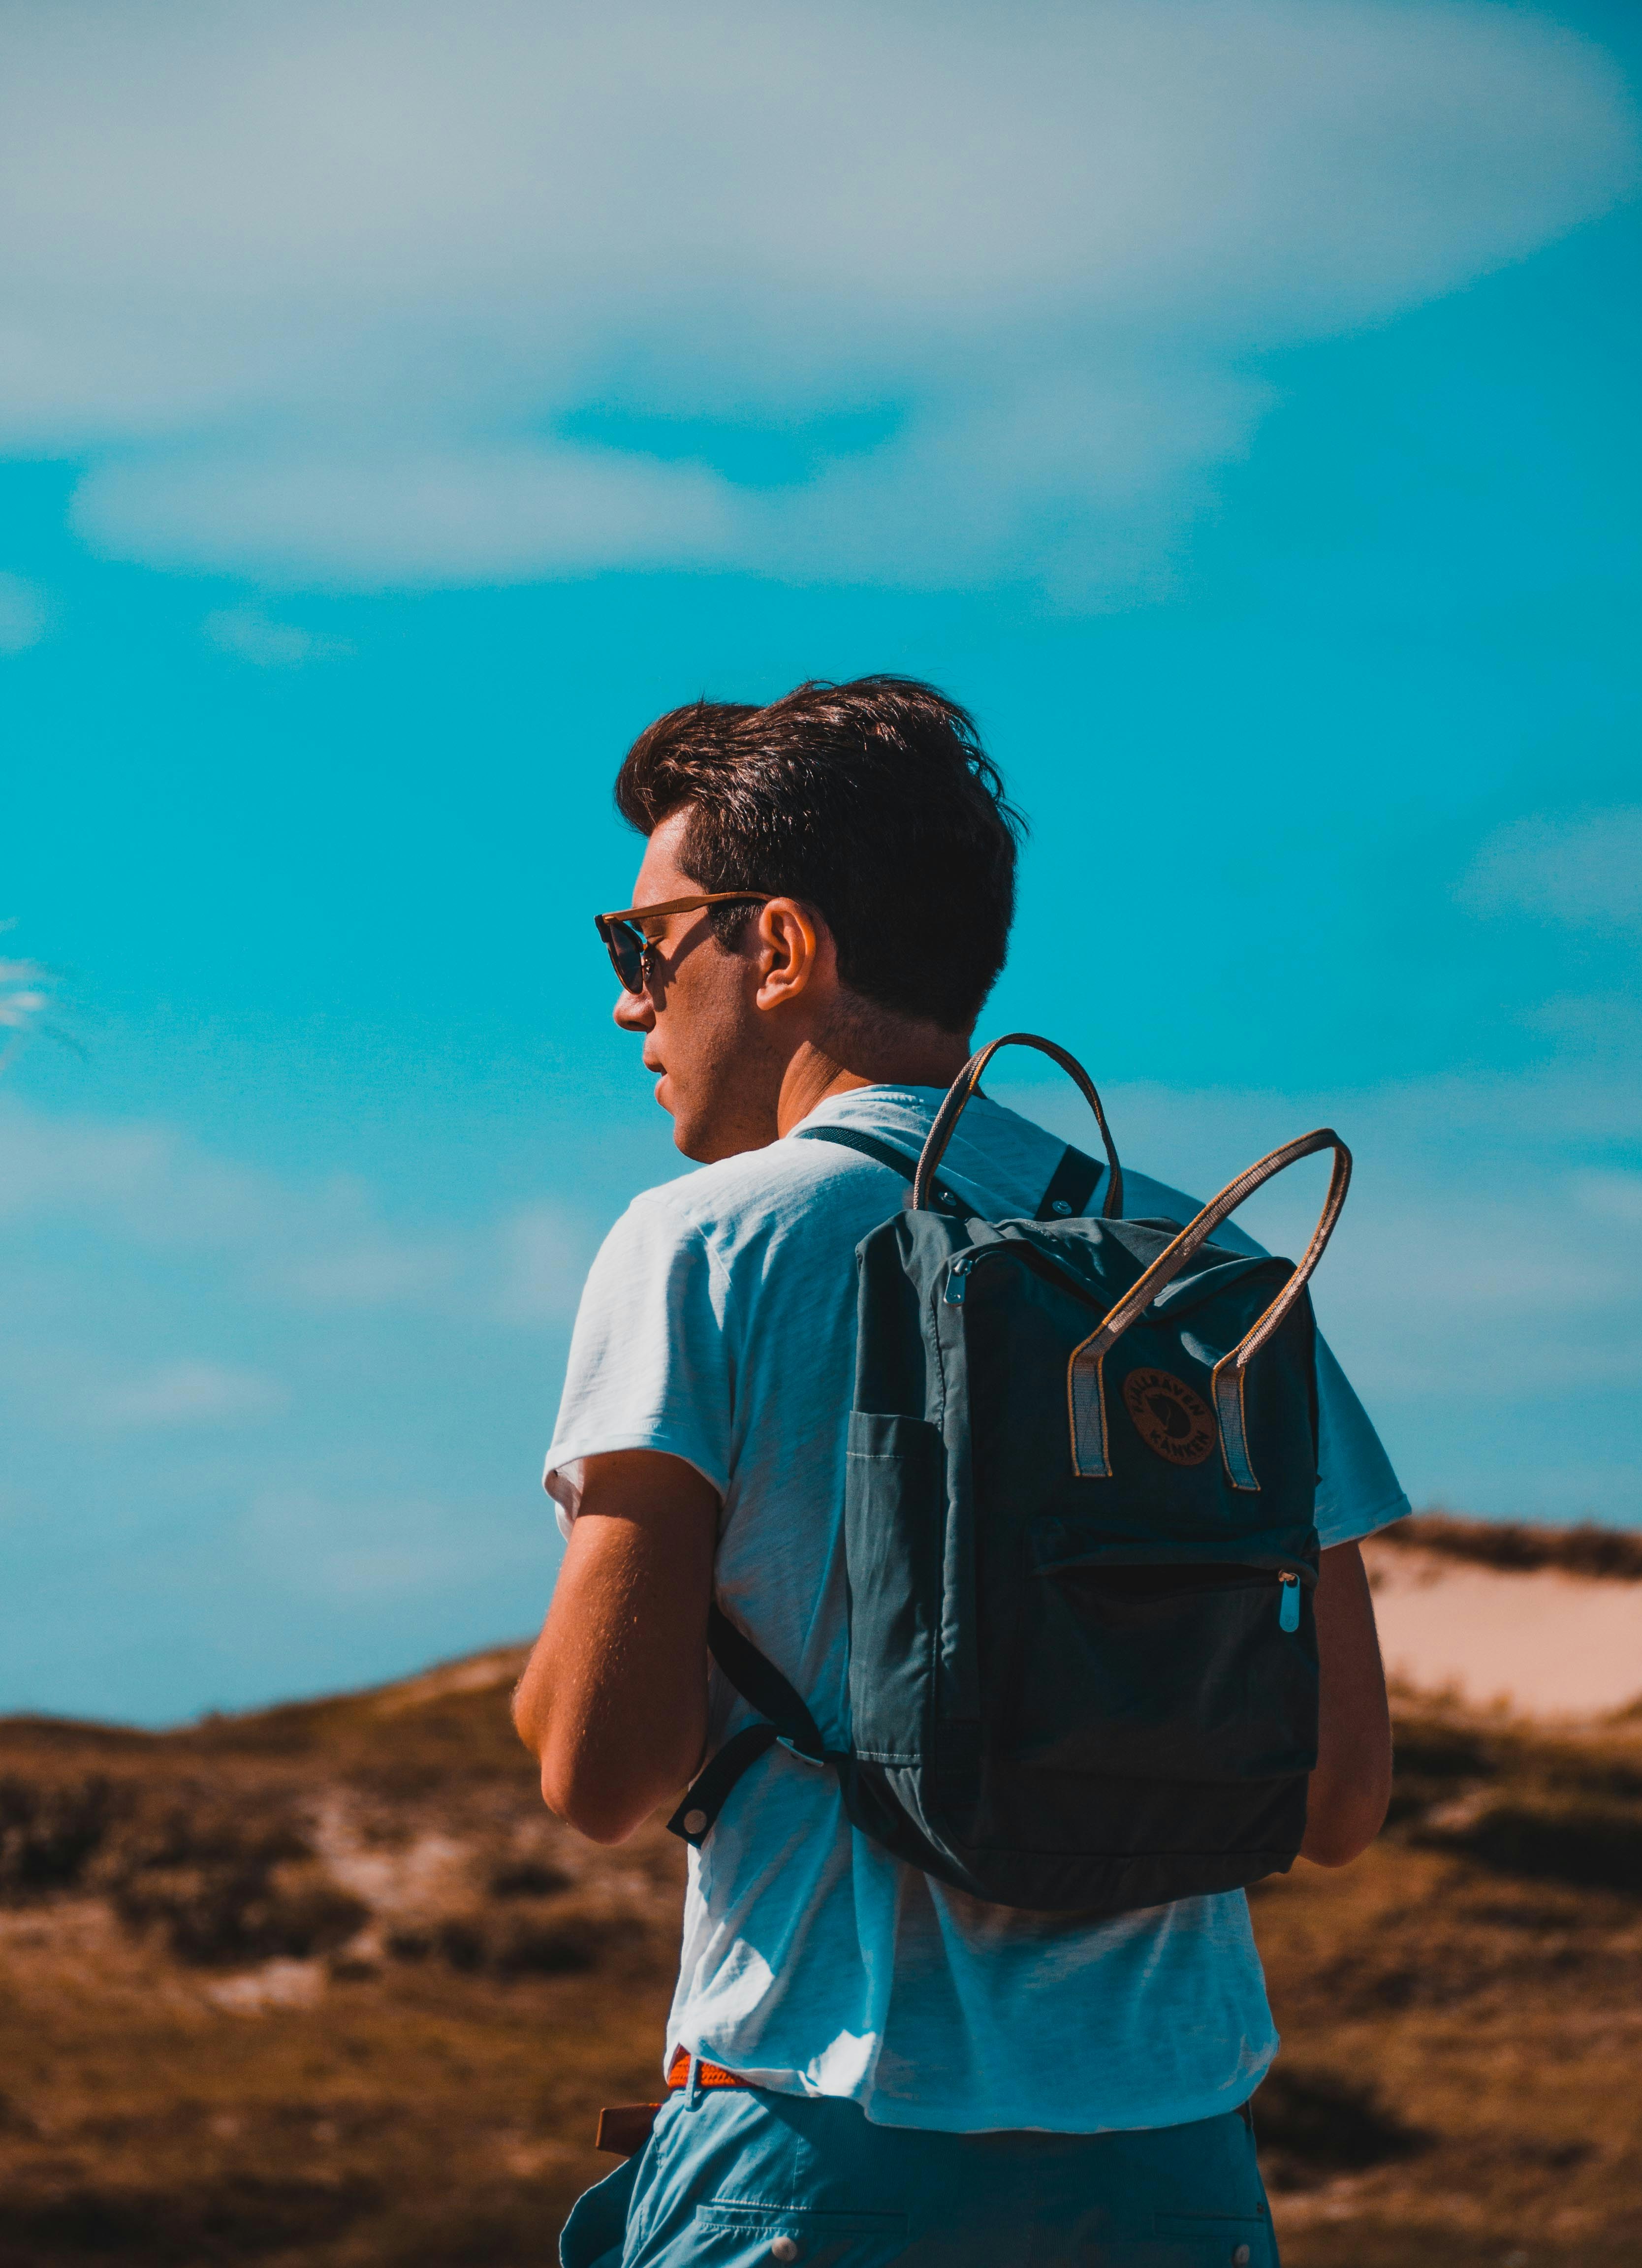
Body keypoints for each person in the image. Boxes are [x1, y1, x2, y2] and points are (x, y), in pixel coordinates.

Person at [513, 676, 1404, 2268]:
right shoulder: (1219, 1260)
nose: (627, 1006)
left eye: (641, 946)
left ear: (778, 949)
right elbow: (1337, 1799)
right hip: (1175, 2157)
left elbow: (600, 1775)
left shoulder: (705, 1246)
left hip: (823, 2122)